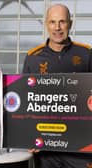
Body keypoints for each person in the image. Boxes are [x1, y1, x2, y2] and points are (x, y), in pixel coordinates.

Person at [23, 3, 92, 168]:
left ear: (70, 23)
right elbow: (26, 101)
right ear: (46, 24)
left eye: (62, 21)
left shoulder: (86, 54)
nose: (58, 28)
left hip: (80, 148)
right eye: (53, 22)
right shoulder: (33, 58)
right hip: (46, 148)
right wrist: (28, 136)